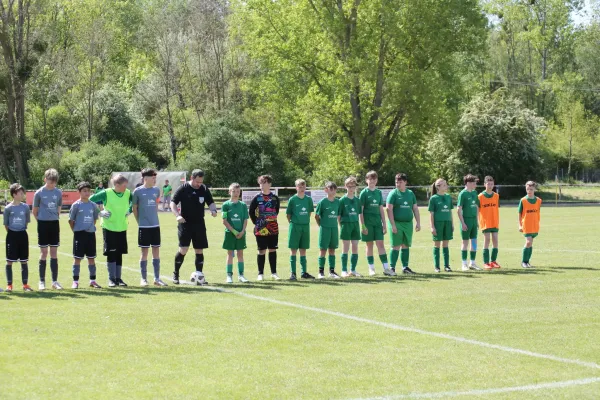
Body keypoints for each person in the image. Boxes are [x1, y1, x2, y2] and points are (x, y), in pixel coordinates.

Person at [170, 169, 217, 284]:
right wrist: (177, 215)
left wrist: (213, 210)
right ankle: (175, 274)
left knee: (199, 250)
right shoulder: (183, 188)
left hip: (199, 224)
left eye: (201, 182)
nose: (199, 184)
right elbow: (173, 203)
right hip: (185, 223)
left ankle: (199, 276)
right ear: (192, 178)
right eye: (197, 182)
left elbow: (210, 202)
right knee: (183, 250)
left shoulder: (204, 189)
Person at [90, 174, 133, 287]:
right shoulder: (106, 193)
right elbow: (89, 200)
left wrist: (130, 209)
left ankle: (118, 279)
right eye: (124, 185)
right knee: (111, 253)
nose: (126, 188)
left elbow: (134, 201)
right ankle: (111, 279)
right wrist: (99, 212)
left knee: (119, 253)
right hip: (109, 227)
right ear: (117, 185)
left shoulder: (128, 193)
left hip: (122, 227)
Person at [133, 168, 167, 287]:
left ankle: (157, 278)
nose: (155, 180)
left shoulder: (156, 190)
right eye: (153, 178)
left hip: (155, 225)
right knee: (144, 252)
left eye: (155, 178)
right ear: (145, 178)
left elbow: (156, 205)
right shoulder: (137, 191)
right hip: (143, 226)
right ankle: (143, 279)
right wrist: (139, 222)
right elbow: (134, 209)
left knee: (156, 251)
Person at [33, 168, 63, 290]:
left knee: (54, 253)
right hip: (43, 225)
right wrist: (41, 222)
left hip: (54, 224)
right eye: (50, 182)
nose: (52, 184)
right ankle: (41, 281)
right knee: (44, 253)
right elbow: (34, 211)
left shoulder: (58, 192)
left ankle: (54, 281)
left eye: (54, 182)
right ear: (45, 179)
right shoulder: (39, 193)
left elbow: (59, 207)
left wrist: (55, 217)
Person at [359, 171, 393, 276]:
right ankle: (371, 269)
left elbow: (381, 209)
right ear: (366, 180)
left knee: (380, 245)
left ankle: (386, 269)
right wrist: (363, 225)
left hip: (378, 223)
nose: (372, 181)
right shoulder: (364, 193)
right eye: (370, 179)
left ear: (376, 180)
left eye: (374, 179)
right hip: (368, 223)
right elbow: (360, 211)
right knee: (369, 246)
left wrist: (384, 223)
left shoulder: (378, 193)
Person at [69, 182, 101, 289]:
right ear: (79, 192)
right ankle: (75, 281)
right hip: (79, 234)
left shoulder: (93, 205)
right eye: (84, 191)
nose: (87, 193)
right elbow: (71, 221)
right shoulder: (76, 205)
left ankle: (92, 280)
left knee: (91, 258)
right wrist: (76, 231)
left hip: (91, 234)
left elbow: (95, 219)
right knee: (77, 258)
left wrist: (90, 228)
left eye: (88, 191)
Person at [386, 173, 420, 274]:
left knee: (406, 245)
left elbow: (415, 208)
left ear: (405, 182)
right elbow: (389, 209)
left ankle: (405, 267)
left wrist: (418, 222)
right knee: (396, 245)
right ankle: (392, 268)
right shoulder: (393, 194)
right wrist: (393, 225)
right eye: (396, 182)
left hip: (408, 224)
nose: (398, 184)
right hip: (396, 223)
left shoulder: (410, 194)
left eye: (400, 182)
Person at [249, 175, 281, 281]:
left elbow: (276, 210)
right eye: (261, 182)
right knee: (261, 250)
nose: (262, 185)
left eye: (264, 182)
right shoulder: (256, 198)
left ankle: (274, 273)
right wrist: (258, 223)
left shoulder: (275, 198)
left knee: (272, 249)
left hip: (273, 227)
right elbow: (251, 212)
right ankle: (260, 274)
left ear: (270, 184)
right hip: (260, 228)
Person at [4, 184, 33, 292]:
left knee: (24, 260)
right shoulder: (8, 208)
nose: (23, 195)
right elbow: (6, 224)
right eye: (21, 193)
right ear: (14, 194)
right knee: (9, 261)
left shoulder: (25, 207)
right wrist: (12, 233)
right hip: (11, 235)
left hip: (22, 235)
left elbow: (26, 222)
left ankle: (25, 285)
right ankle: (9, 285)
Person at [286, 179, 315, 280]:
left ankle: (304, 273)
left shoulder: (308, 199)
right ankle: (293, 273)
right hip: (295, 226)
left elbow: (309, 213)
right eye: (299, 186)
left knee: (303, 250)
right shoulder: (292, 200)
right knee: (293, 250)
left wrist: (304, 221)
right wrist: (294, 222)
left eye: (303, 186)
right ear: (296, 187)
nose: (302, 188)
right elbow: (288, 215)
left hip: (305, 227)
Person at [222, 183, 249, 283]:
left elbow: (245, 219)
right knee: (230, 254)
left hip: (241, 234)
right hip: (230, 234)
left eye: (238, 191)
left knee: (240, 254)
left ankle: (241, 275)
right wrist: (233, 231)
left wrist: (242, 231)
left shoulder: (243, 205)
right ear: (229, 192)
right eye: (234, 191)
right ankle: (229, 276)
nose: (236, 193)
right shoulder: (225, 205)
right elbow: (224, 220)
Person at [315, 181, 341, 279]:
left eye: (334, 189)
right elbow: (316, 216)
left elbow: (338, 215)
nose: (333, 191)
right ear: (326, 190)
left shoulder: (338, 202)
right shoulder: (322, 202)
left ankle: (332, 271)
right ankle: (321, 272)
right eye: (331, 189)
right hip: (324, 229)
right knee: (323, 250)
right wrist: (321, 225)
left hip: (334, 229)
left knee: (332, 250)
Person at [428, 178, 454, 273]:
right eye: (444, 185)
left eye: (446, 184)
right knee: (437, 245)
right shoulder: (433, 198)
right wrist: (432, 226)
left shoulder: (448, 197)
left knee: (446, 245)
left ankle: (447, 266)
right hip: (438, 224)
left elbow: (450, 212)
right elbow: (431, 214)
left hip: (447, 223)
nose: (446, 186)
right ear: (438, 187)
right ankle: (437, 267)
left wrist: (452, 224)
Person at [339, 177, 362, 277]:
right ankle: (344, 270)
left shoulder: (357, 200)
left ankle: (353, 270)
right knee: (345, 248)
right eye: (349, 186)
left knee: (355, 247)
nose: (351, 188)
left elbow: (359, 214)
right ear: (345, 187)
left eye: (353, 186)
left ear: (356, 187)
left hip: (355, 225)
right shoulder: (342, 200)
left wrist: (363, 226)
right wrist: (341, 226)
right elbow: (338, 216)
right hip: (346, 225)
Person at [457, 174, 481, 271]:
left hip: (473, 221)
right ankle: (464, 264)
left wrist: (477, 220)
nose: (476, 184)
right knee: (465, 242)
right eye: (474, 182)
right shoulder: (462, 194)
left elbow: (476, 207)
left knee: (474, 242)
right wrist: (463, 223)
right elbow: (458, 209)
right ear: (468, 183)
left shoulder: (475, 193)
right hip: (466, 221)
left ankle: (472, 263)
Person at [478, 176, 501, 270]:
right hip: (485, 221)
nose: (490, 185)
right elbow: (478, 209)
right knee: (487, 239)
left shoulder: (496, 196)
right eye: (488, 184)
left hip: (494, 221)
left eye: (492, 184)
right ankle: (486, 262)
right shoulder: (480, 196)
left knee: (495, 239)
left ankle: (493, 261)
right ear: (484, 184)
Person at [518, 181, 542, 268]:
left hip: (535, 225)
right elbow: (519, 213)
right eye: (527, 189)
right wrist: (520, 225)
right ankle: (524, 262)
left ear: (534, 189)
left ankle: (527, 262)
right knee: (528, 242)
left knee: (531, 243)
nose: (529, 191)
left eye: (531, 189)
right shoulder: (523, 200)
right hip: (526, 225)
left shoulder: (539, 200)